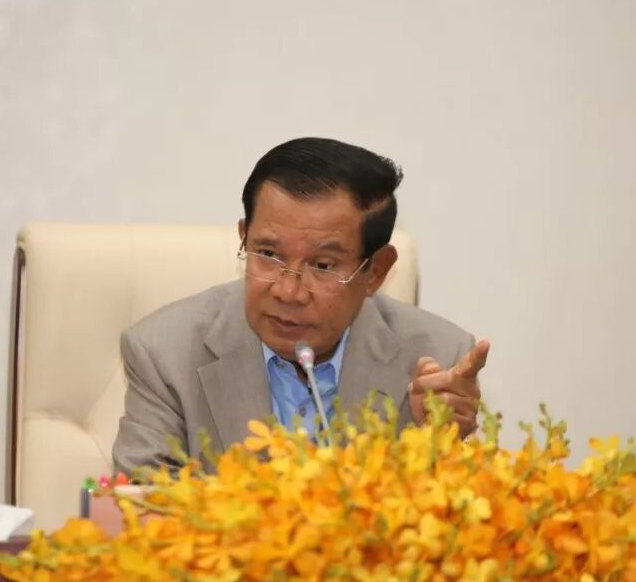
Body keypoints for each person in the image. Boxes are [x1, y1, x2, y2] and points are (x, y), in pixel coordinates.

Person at [112, 137, 489, 475]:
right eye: (268, 254)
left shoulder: (440, 357)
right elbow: (140, 509)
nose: (288, 291)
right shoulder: (164, 353)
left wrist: (438, 446)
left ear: (375, 271)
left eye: (322, 265)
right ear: (244, 238)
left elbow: (460, 519)